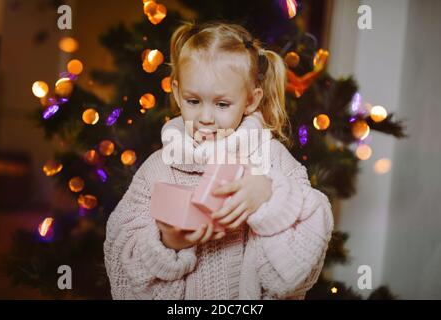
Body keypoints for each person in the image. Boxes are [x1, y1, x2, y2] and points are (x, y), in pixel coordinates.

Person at [104, 21, 334, 299]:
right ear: (177, 93)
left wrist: (269, 197)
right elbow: (121, 246)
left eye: (222, 104)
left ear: (250, 100)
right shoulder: (159, 166)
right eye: (193, 101)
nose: (206, 117)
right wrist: (168, 243)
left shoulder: (269, 158)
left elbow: (305, 253)